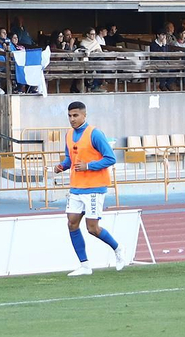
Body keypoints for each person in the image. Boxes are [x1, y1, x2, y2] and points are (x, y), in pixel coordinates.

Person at [54, 101, 131, 275]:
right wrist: (61, 166)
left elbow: (110, 158)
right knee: (71, 224)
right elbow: (70, 160)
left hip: (94, 188)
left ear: (84, 115)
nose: (72, 119)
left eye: (75, 115)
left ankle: (118, 249)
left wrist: (88, 166)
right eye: (70, 116)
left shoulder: (95, 134)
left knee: (92, 228)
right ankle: (85, 265)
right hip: (76, 187)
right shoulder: (68, 135)